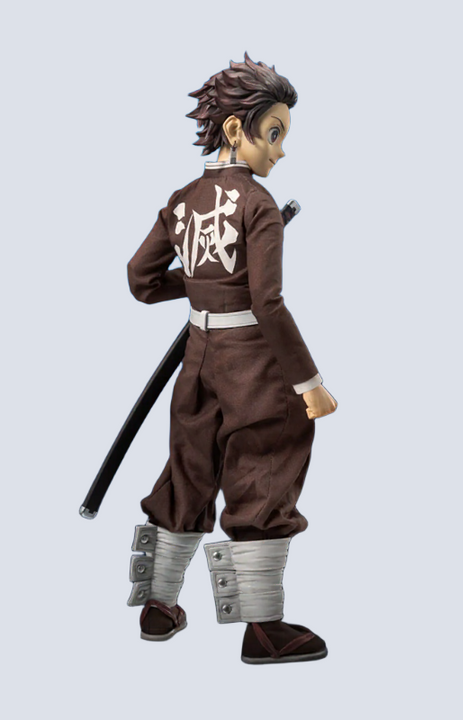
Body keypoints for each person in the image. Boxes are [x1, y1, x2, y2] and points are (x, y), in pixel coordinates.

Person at [125, 53, 337, 664]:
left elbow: (141, 279)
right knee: (265, 467)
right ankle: (263, 628)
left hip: (198, 360)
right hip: (253, 366)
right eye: (273, 133)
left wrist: (201, 289)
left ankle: (158, 606)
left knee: (188, 469)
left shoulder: (182, 200)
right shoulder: (257, 204)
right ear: (236, 129)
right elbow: (267, 303)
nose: (280, 151)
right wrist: (309, 382)